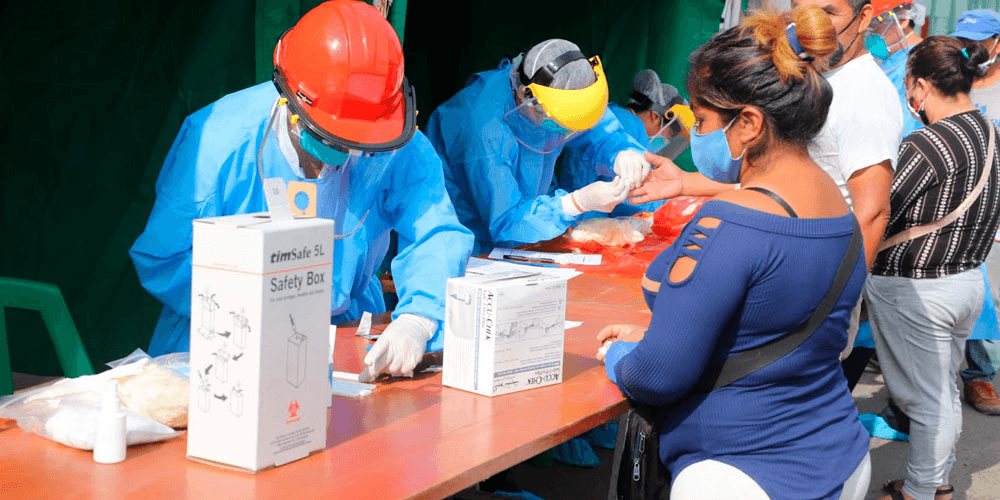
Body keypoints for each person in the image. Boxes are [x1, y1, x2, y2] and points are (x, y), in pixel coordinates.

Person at [597, 7, 871, 499]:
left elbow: (657, 377)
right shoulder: (835, 208)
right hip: (838, 457)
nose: (697, 135)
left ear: (748, 123)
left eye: (702, 120)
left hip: (742, 476)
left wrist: (619, 356)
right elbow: (769, 324)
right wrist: (658, 337)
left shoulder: (729, 223)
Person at [129, 0, 474, 382]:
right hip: (223, 335)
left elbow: (435, 230)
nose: (347, 155)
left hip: (343, 333)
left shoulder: (391, 137)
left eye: (361, 142)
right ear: (289, 99)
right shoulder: (218, 141)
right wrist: (254, 301)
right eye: (332, 138)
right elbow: (165, 259)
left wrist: (418, 319)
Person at [866, 36, 1000, 500]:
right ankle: (936, 482)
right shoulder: (989, 131)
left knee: (926, 402)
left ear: (920, 87)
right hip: (966, 284)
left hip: (919, 289)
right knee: (941, 393)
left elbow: (879, 208)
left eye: (909, 86)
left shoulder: (928, 142)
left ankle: (920, 492)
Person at [425, 39, 650, 254]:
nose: (567, 130)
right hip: (469, 238)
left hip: (521, 232)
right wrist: (575, 203)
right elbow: (506, 221)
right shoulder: (484, 130)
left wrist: (621, 152)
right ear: (525, 95)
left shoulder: (562, 97)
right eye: (561, 121)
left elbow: (597, 130)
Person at [558, 69, 691, 218]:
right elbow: (629, 194)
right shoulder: (633, 129)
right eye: (669, 134)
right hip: (587, 214)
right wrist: (667, 202)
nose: (665, 139)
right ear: (654, 117)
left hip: (568, 203)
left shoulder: (610, 114)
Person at [954, 9, 1000, 416]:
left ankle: (980, 376)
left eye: (979, 42)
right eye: (964, 42)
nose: (971, 49)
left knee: (991, 297)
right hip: (952, 207)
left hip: (995, 211)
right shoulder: (955, 84)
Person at [869, 0, 925, 137]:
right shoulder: (888, 60)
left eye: (875, 24)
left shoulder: (923, 61)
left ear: (903, 19)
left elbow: (908, 126)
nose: (870, 34)